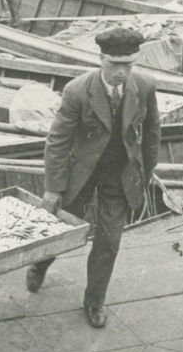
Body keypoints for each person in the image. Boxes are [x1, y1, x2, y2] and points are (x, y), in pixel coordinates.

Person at [24, 27, 161, 328]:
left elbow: (152, 133)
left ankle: (94, 301)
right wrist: (53, 188)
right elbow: (58, 141)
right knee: (60, 230)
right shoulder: (76, 90)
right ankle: (41, 263)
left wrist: (146, 174)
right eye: (115, 64)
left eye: (128, 64)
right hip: (81, 172)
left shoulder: (146, 85)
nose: (122, 72)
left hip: (119, 173)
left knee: (109, 242)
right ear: (101, 59)